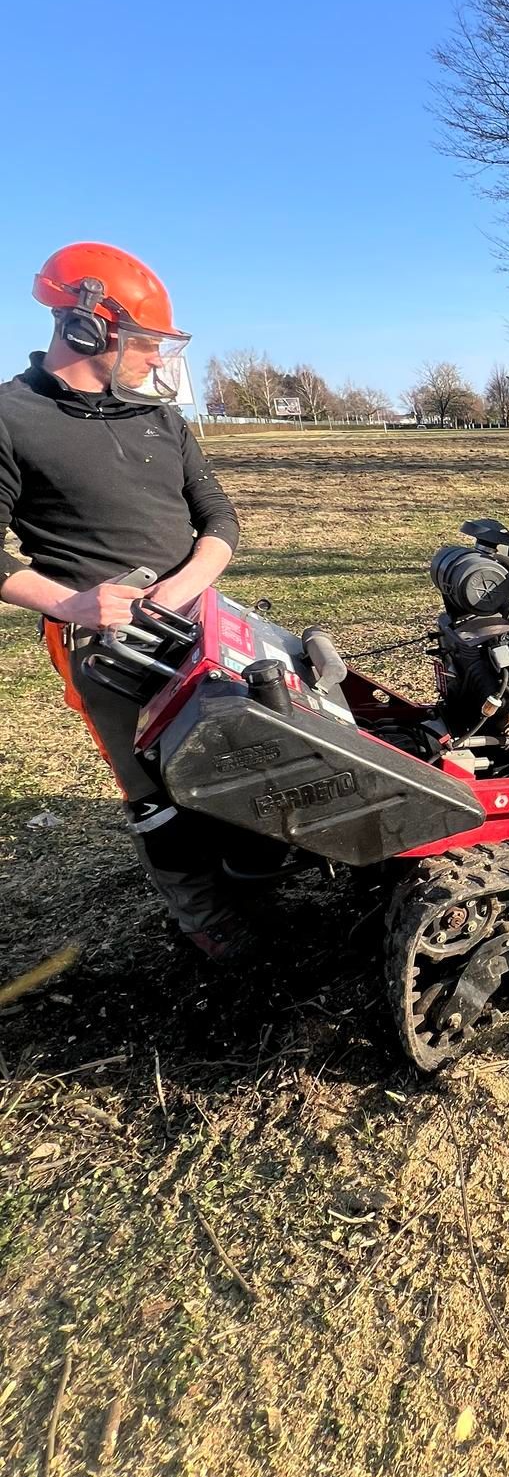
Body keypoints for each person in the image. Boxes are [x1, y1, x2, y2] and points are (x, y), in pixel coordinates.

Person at [0, 241, 250, 958]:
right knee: (157, 792)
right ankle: (206, 920)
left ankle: (248, 873)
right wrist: (73, 605)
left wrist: (185, 584)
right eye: (144, 342)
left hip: (199, 617)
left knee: (238, 762)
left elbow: (220, 519)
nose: (153, 359)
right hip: (104, 645)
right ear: (85, 328)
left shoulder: (160, 421)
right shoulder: (11, 419)